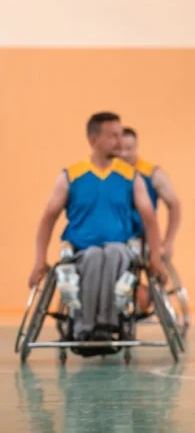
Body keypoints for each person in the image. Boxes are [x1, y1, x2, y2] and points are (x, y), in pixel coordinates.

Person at [27, 112, 166, 342]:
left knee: (113, 253)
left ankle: (107, 324)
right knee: (93, 256)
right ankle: (85, 327)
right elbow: (48, 219)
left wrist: (156, 259)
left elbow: (150, 219)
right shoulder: (71, 176)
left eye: (120, 135)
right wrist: (39, 260)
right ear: (94, 140)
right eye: (113, 136)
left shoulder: (131, 177)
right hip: (82, 251)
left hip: (120, 249)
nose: (120, 141)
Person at [119, 127, 183, 259]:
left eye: (128, 149)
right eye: (120, 149)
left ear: (136, 147)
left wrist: (169, 242)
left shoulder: (152, 173)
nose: (124, 154)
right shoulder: (107, 173)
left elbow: (174, 204)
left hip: (143, 238)